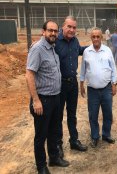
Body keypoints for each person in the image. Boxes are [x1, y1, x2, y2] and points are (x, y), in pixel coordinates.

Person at [26, 20, 69, 174]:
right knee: (41, 135)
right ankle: (41, 166)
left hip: (55, 98)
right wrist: (36, 100)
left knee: (54, 131)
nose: (53, 33)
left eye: (55, 31)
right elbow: (29, 74)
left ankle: (54, 158)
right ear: (43, 31)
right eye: (50, 30)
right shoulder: (37, 49)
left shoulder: (52, 48)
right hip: (43, 100)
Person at [55, 16, 88, 157]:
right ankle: (58, 144)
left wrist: (95, 46)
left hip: (72, 83)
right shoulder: (55, 41)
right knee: (58, 116)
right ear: (63, 26)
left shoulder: (75, 41)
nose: (72, 30)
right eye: (69, 26)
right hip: (59, 84)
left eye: (74, 27)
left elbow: (80, 50)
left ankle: (74, 141)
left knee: (72, 114)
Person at [80, 27, 117, 148]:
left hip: (106, 89)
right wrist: (81, 84)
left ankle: (106, 135)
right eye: (93, 36)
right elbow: (83, 70)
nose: (96, 39)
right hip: (92, 91)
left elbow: (113, 69)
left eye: (98, 36)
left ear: (101, 37)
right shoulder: (86, 52)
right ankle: (95, 136)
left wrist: (114, 84)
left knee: (108, 114)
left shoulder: (107, 51)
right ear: (91, 38)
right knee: (93, 115)